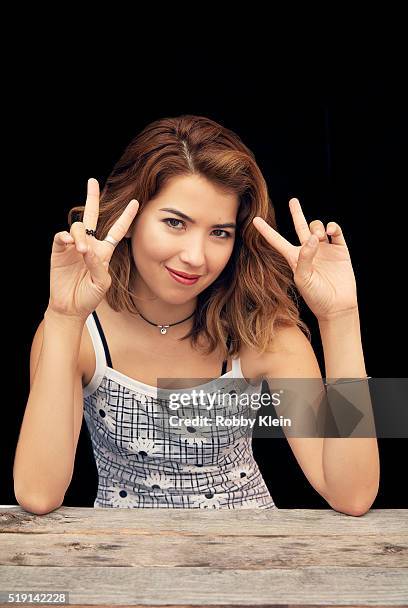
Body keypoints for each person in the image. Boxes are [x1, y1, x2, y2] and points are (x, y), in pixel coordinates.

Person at [13, 114, 379, 515]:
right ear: (128, 221)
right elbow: (38, 494)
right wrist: (64, 318)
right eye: (174, 223)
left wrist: (340, 317)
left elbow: (352, 494)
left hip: (253, 560)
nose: (195, 257)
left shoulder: (264, 334)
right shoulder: (78, 332)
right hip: (120, 564)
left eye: (219, 232)